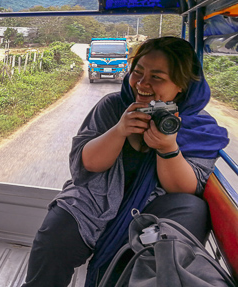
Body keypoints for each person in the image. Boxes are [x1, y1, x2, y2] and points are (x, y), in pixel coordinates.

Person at [22, 37, 229, 287]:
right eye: (138, 72)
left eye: (157, 77)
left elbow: (185, 189)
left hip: (155, 209)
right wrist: (119, 130)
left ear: (181, 85)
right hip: (95, 199)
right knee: (53, 240)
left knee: (191, 208)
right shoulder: (112, 107)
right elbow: (85, 165)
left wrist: (168, 148)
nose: (142, 84)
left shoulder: (200, 128)